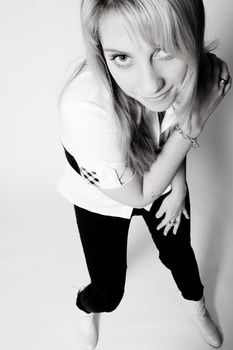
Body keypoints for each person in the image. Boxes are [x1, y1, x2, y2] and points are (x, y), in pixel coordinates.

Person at [57, 0, 231, 348]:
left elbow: (168, 128)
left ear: (191, 39)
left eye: (164, 50)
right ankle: (84, 303)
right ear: (100, 49)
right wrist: (196, 120)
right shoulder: (84, 107)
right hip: (104, 199)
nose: (150, 84)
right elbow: (139, 194)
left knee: (180, 254)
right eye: (122, 57)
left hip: (162, 178)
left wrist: (178, 184)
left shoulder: (197, 72)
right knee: (108, 292)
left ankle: (197, 307)